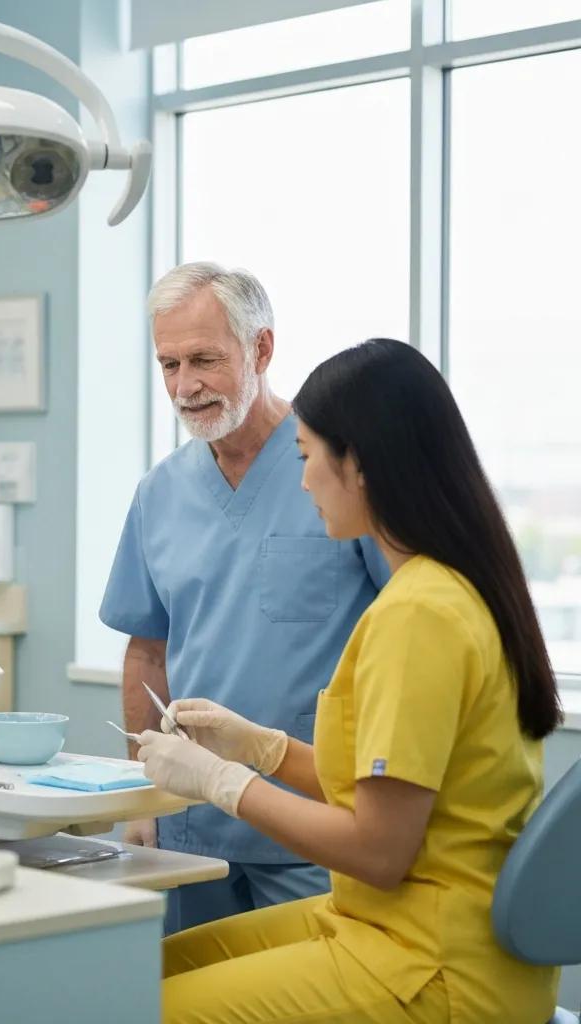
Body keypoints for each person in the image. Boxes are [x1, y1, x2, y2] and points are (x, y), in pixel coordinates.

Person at [137, 338, 562, 1023]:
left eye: (307, 458)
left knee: (145, 1006)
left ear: (358, 464)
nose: (301, 481)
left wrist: (221, 783)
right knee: (139, 966)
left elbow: (378, 849)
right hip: (386, 924)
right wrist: (258, 747)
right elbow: (382, 791)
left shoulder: (420, 614)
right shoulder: (441, 588)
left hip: (431, 965)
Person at [100, 262, 388, 931]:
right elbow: (147, 653)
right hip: (193, 823)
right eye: (168, 364)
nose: (184, 385)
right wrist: (145, 791)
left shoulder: (337, 475)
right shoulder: (160, 493)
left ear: (262, 348)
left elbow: (411, 628)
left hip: (317, 825)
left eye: (204, 359)